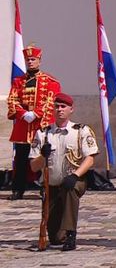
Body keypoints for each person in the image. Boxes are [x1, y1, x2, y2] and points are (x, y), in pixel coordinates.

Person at [29, 93, 99, 251]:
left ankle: (71, 234)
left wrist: (75, 175)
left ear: (71, 109)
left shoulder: (80, 131)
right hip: (51, 184)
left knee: (70, 189)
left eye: (63, 107)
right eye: (56, 106)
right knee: (55, 237)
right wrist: (43, 155)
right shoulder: (43, 133)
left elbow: (90, 159)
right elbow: (34, 166)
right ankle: (62, 234)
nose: (59, 110)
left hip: (74, 180)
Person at [7, 44, 61, 200]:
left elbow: (52, 100)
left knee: (44, 158)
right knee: (21, 159)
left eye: (33, 59)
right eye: (28, 60)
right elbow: (12, 99)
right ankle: (18, 189)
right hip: (24, 125)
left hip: (41, 125)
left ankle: (46, 187)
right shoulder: (18, 81)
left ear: (39, 60)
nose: (30, 62)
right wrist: (24, 114)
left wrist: (36, 114)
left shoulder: (50, 81)